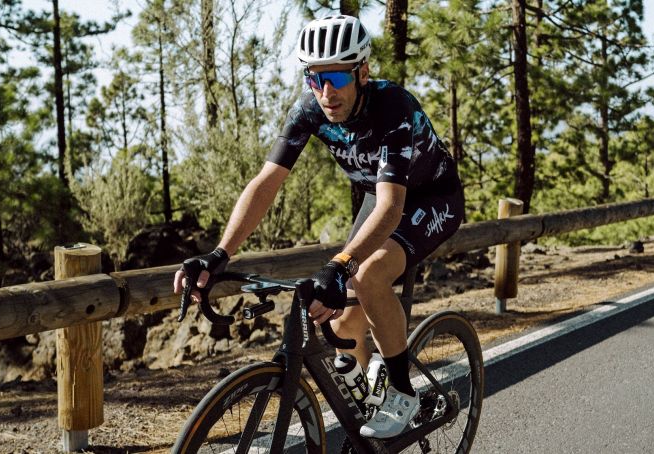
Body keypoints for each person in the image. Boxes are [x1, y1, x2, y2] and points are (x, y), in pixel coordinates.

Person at [173, 14, 464, 439]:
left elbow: (392, 207)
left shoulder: (393, 108)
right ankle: (374, 400)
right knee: (343, 327)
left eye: (336, 77)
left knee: (367, 274)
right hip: (378, 195)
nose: (326, 92)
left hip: (429, 197)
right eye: (315, 78)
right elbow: (266, 183)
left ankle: (403, 393)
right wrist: (220, 253)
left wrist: (342, 263)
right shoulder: (310, 109)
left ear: (362, 72)